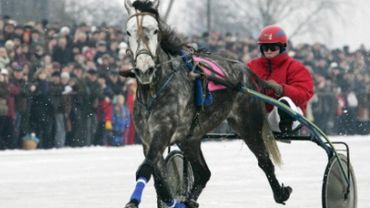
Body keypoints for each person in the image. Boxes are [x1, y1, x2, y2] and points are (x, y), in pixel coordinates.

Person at [247, 25, 314, 133]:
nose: (268, 51)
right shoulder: (252, 66)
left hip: (284, 118)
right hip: (258, 117)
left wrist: (281, 89)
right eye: (265, 47)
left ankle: (286, 127)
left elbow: (304, 94)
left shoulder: (295, 67)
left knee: (284, 101)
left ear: (282, 47)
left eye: (273, 47)